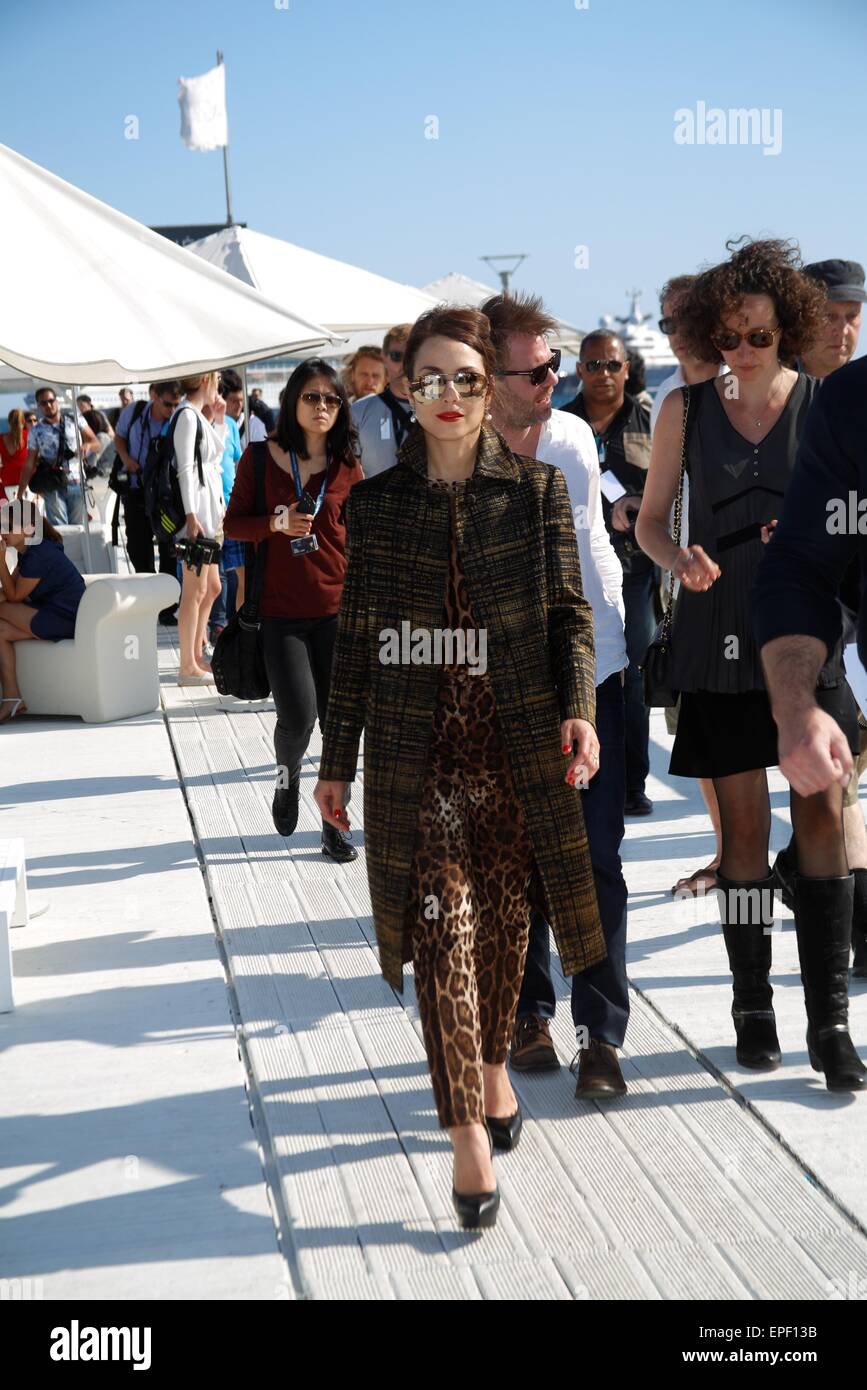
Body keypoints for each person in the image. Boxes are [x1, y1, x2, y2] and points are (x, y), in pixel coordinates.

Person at [314, 306, 605, 1229]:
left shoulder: (533, 492)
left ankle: (488, 1073)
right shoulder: (376, 506)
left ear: (491, 389)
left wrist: (581, 711)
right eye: (429, 378)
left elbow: (569, 614)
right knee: (441, 928)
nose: (446, 396)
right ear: (405, 388)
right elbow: (356, 644)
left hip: (516, 754)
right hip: (420, 758)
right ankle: (466, 1137)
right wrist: (337, 760)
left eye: (466, 379)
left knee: (503, 939)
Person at [635, 237, 863, 1091]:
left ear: (787, 332)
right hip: (715, 637)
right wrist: (675, 556)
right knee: (739, 837)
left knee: (819, 828)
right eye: (726, 338)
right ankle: (750, 1005)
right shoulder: (681, 412)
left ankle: (830, 1023)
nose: (740, 354)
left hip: (804, 639)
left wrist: (822, 536)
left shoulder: (826, 405)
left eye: (758, 338)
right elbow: (650, 520)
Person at [482, 292, 630, 1099]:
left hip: (590, 669)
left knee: (595, 858)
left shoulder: (572, 437)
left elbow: (594, 543)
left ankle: (600, 1035)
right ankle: (525, 1013)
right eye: (536, 370)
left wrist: (618, 646)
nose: (552, 379)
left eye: (555, 366)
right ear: (489, 375)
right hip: (498, 683)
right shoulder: (455, 448)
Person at [753, 353, 867, 1089]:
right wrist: (794, 704)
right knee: (816, 817)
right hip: (742, 648)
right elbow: (800, 562)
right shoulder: (854, 404)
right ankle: (822, 1024)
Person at [768, 257, 867, 976]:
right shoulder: (775, 398)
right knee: (837, 775)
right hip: (800, 622)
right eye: (829, 315)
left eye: (852, 314)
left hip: (848, 622)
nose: (844, 328)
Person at [225, 360, 363, 863]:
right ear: (292, 402)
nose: (322, 407)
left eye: (331, 399)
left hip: (338, 612)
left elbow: (358, 536)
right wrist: (275, 523)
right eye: (312, 397)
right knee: (298, 718)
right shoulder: (261, 459)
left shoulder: (347, 463)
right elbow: (233, 525)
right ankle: (287, 778)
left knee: (339, 725)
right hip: (281, 614)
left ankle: (333, 825)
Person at [654, 275, 731, 897]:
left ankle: (841, 890)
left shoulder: (765, 388)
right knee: (703, 734)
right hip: (691, 591)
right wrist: (675, 564)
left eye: (682, 320)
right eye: (664, 323)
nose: (673, 334)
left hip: (772, 589)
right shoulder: (669, 398)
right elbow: (660, 510)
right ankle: (730, 855)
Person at [561, 330, 654, 816]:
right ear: (579, 370)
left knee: (631, 672)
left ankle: (631, 782)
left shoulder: (652, 423)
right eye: (593, 365)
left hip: (636, 570)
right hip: (573, 571)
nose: (603, 374)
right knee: (577, 671)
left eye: (612, 365)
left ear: (626, 369)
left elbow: (670, 492)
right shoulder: (558, 426)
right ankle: (575, 771)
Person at [0, 498, 86, 721]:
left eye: (8, 526)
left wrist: (0, 561)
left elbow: (14, 596)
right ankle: (12, 698)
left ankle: (11, 699)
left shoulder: (39, 554)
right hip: (53, 614)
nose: (2, 532)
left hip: (66, 618)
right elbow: (11, 590)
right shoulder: (29, 552)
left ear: (28, 529)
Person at [172, 373, 227, 685]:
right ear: (206, 379)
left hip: (208, 516)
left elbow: (214, 456)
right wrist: (191, 516)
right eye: (217, 379)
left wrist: (217, 418)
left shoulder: (195, 416)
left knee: (211, 588)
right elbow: (185, 469)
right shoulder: (186, 416)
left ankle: (195, 655)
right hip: (197, 520)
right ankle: (187, 664)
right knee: (194, 592)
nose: (218, 386)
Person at [114, 381, 182, 623]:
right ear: (154, 395)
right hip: (136, 492)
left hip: (165, 498)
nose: (171, 410)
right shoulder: (133, 412)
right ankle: (148, 598)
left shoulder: (177, 420)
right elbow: (119, 438)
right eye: (167, 404)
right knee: (137, 548)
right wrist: (126, 458)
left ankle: (165, 607)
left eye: (176, 404)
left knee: (168, 549)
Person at [19, 387, 100, 525]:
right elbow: (29, 463)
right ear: (39, 406)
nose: (48, 405)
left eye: (51, 401)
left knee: (79, 528)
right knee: (61, 531)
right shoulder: (36, 431)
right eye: (43, 403)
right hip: (53, 485)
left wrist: (87, 446)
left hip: (77, 482)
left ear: (57, 401)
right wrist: (21, 492)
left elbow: (96, 443)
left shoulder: (75, 420)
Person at [207, 369, 245, 641]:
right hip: (207, 510)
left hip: (233, 504)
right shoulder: (194, 420)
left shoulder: (230, 425)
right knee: (213, 577)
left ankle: (238, 626)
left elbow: (236, 461)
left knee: (238, 571)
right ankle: (217, 625)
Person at [351, 322, 414, 476]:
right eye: (396, 356)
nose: (404, 365)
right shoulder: (358, 411)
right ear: (384, 359)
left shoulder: (438, 409)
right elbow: (349, 475)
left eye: (411, 357)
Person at [0, 410, 29, 498]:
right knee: (28, 511)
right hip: (25, 481)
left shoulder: (1, 439)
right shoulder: (29, 435)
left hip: (7, 480)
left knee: (12, 511)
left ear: (9, 422)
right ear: (23, 422)